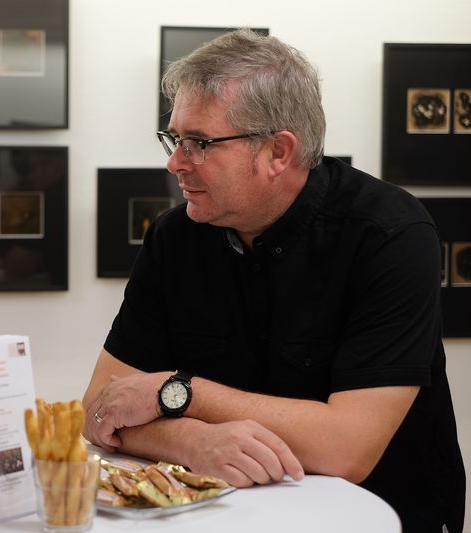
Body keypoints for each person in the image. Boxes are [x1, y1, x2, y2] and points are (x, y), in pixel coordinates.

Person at [82, 29, 465, 533]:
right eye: (174, 139)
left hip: (381, 515)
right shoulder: (174, 237)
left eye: (199, 143)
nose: (175, 162)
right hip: (228, 517)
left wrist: (178, 394)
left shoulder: (389, 234)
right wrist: (191, 440)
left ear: (278, 152)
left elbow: (347, 448)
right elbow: (98, 409)